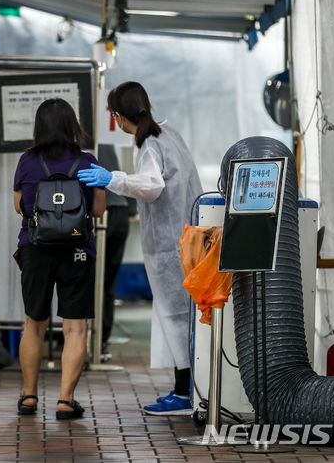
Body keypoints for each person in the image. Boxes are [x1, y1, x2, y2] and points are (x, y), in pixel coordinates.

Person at [78, 82, 202, 416]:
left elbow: (152, 185)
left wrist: (112, 180)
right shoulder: (168, 133)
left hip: (169, 245)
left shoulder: (149, 143)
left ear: (118, 116)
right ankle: (184, 388)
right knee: (182, 317)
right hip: (186, 237)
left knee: (177, 317)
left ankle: (187, 392)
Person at [13, 98, 105, 419]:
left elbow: (20, 207)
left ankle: (28, 397)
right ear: (73, 126)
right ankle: (66, 401)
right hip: (77, 251)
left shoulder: (27, 161)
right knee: (75, 328)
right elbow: (96, 210)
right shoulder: (88, 162)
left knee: (34, 324)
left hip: (35, 249)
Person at [96, 144, 130, 356]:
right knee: (108, 283)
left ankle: (89, 340)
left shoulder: (85, 140)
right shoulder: (110, 139)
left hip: (101, 211)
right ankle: (101, 340)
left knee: (92, 281)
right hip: (121, 210)